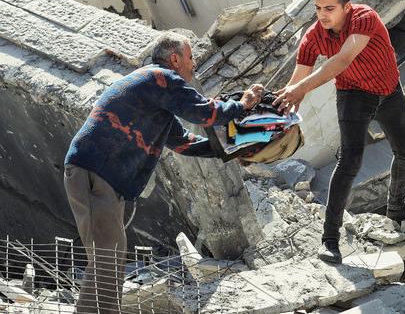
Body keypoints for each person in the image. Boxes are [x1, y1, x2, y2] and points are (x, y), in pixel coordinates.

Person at [64, 32, 262, 313]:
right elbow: (204, 113)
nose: (194, 64)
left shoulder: (155, 95)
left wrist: (231, 151)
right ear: (175, 59)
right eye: (191, 57)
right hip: (95, 172)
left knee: (110, 254)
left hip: (97, 174)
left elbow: (183, 143)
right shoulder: (161, 78)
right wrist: (242, 106)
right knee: (107, 256)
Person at [274, 0, 405, 264]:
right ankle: (329, 239)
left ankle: (396, 207)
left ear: (346, 7)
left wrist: (300, 89)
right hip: (353, 96)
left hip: (389, 91)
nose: (322, 15)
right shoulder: (313, 36)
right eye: (318, 8)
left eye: (330, 8)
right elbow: (297, 80)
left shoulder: (364, 17)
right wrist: (283, 106)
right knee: (350, 162)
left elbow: (342, 59)